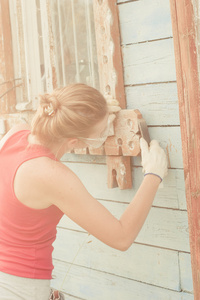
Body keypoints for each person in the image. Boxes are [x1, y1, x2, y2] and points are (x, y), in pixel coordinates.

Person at [0, 83, 168, 300]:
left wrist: (92, 112)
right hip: (20, 288)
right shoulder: (51, 174)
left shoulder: (14, 135)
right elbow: (121, 237)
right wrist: (154, 174)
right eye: (100, 132)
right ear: (74, 141)